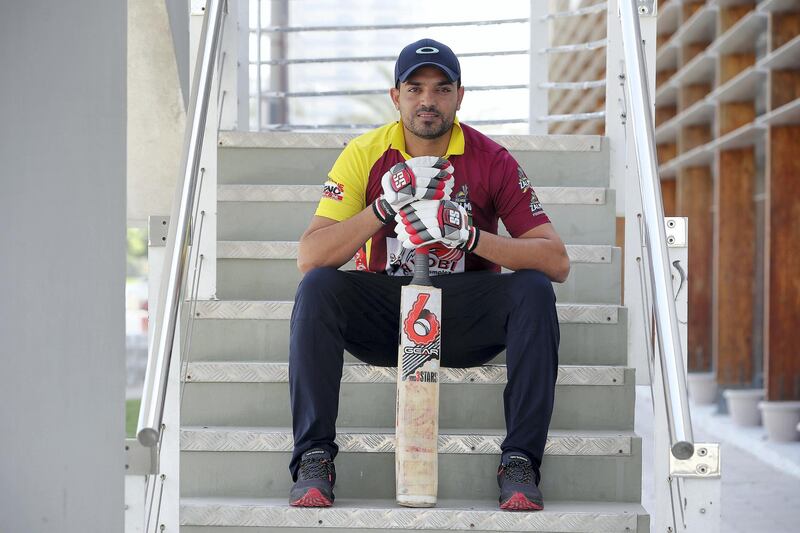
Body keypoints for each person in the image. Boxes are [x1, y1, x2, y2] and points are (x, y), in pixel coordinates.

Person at [288, 38, 570, 511]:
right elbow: (309, 255)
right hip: (386, 317)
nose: (427, 101)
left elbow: (556, 260)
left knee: (534, 290)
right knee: (317, 287)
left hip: (462, 313)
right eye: (414, 88)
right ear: (395, 96)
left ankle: (520, 461)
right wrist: (383, 207)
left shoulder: (491, 158)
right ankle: (315, 457)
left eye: (441, 89)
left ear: (460, 96)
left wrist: (472, 236)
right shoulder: (364, 153)